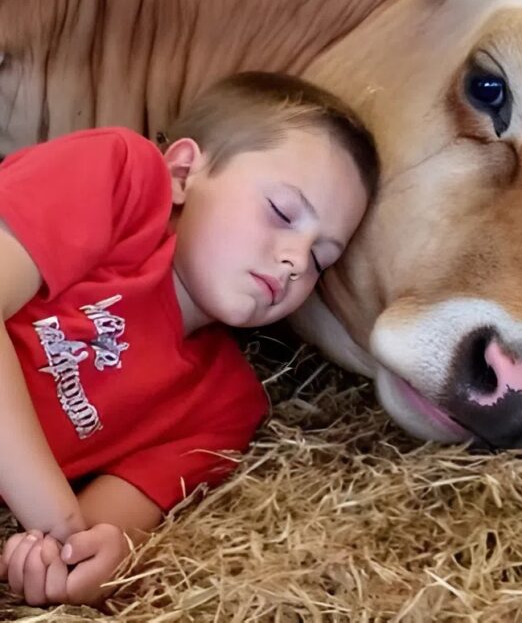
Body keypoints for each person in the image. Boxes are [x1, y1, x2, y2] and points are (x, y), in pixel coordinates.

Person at [0, 72, 379, 607]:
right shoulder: (120, 176)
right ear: (182, 170)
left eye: (322, 259)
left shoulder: (226, 406)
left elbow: (103, 531)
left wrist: (83, 562)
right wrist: (55, 518)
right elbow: (63, 520)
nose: (296, 260)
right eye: (282, 213)